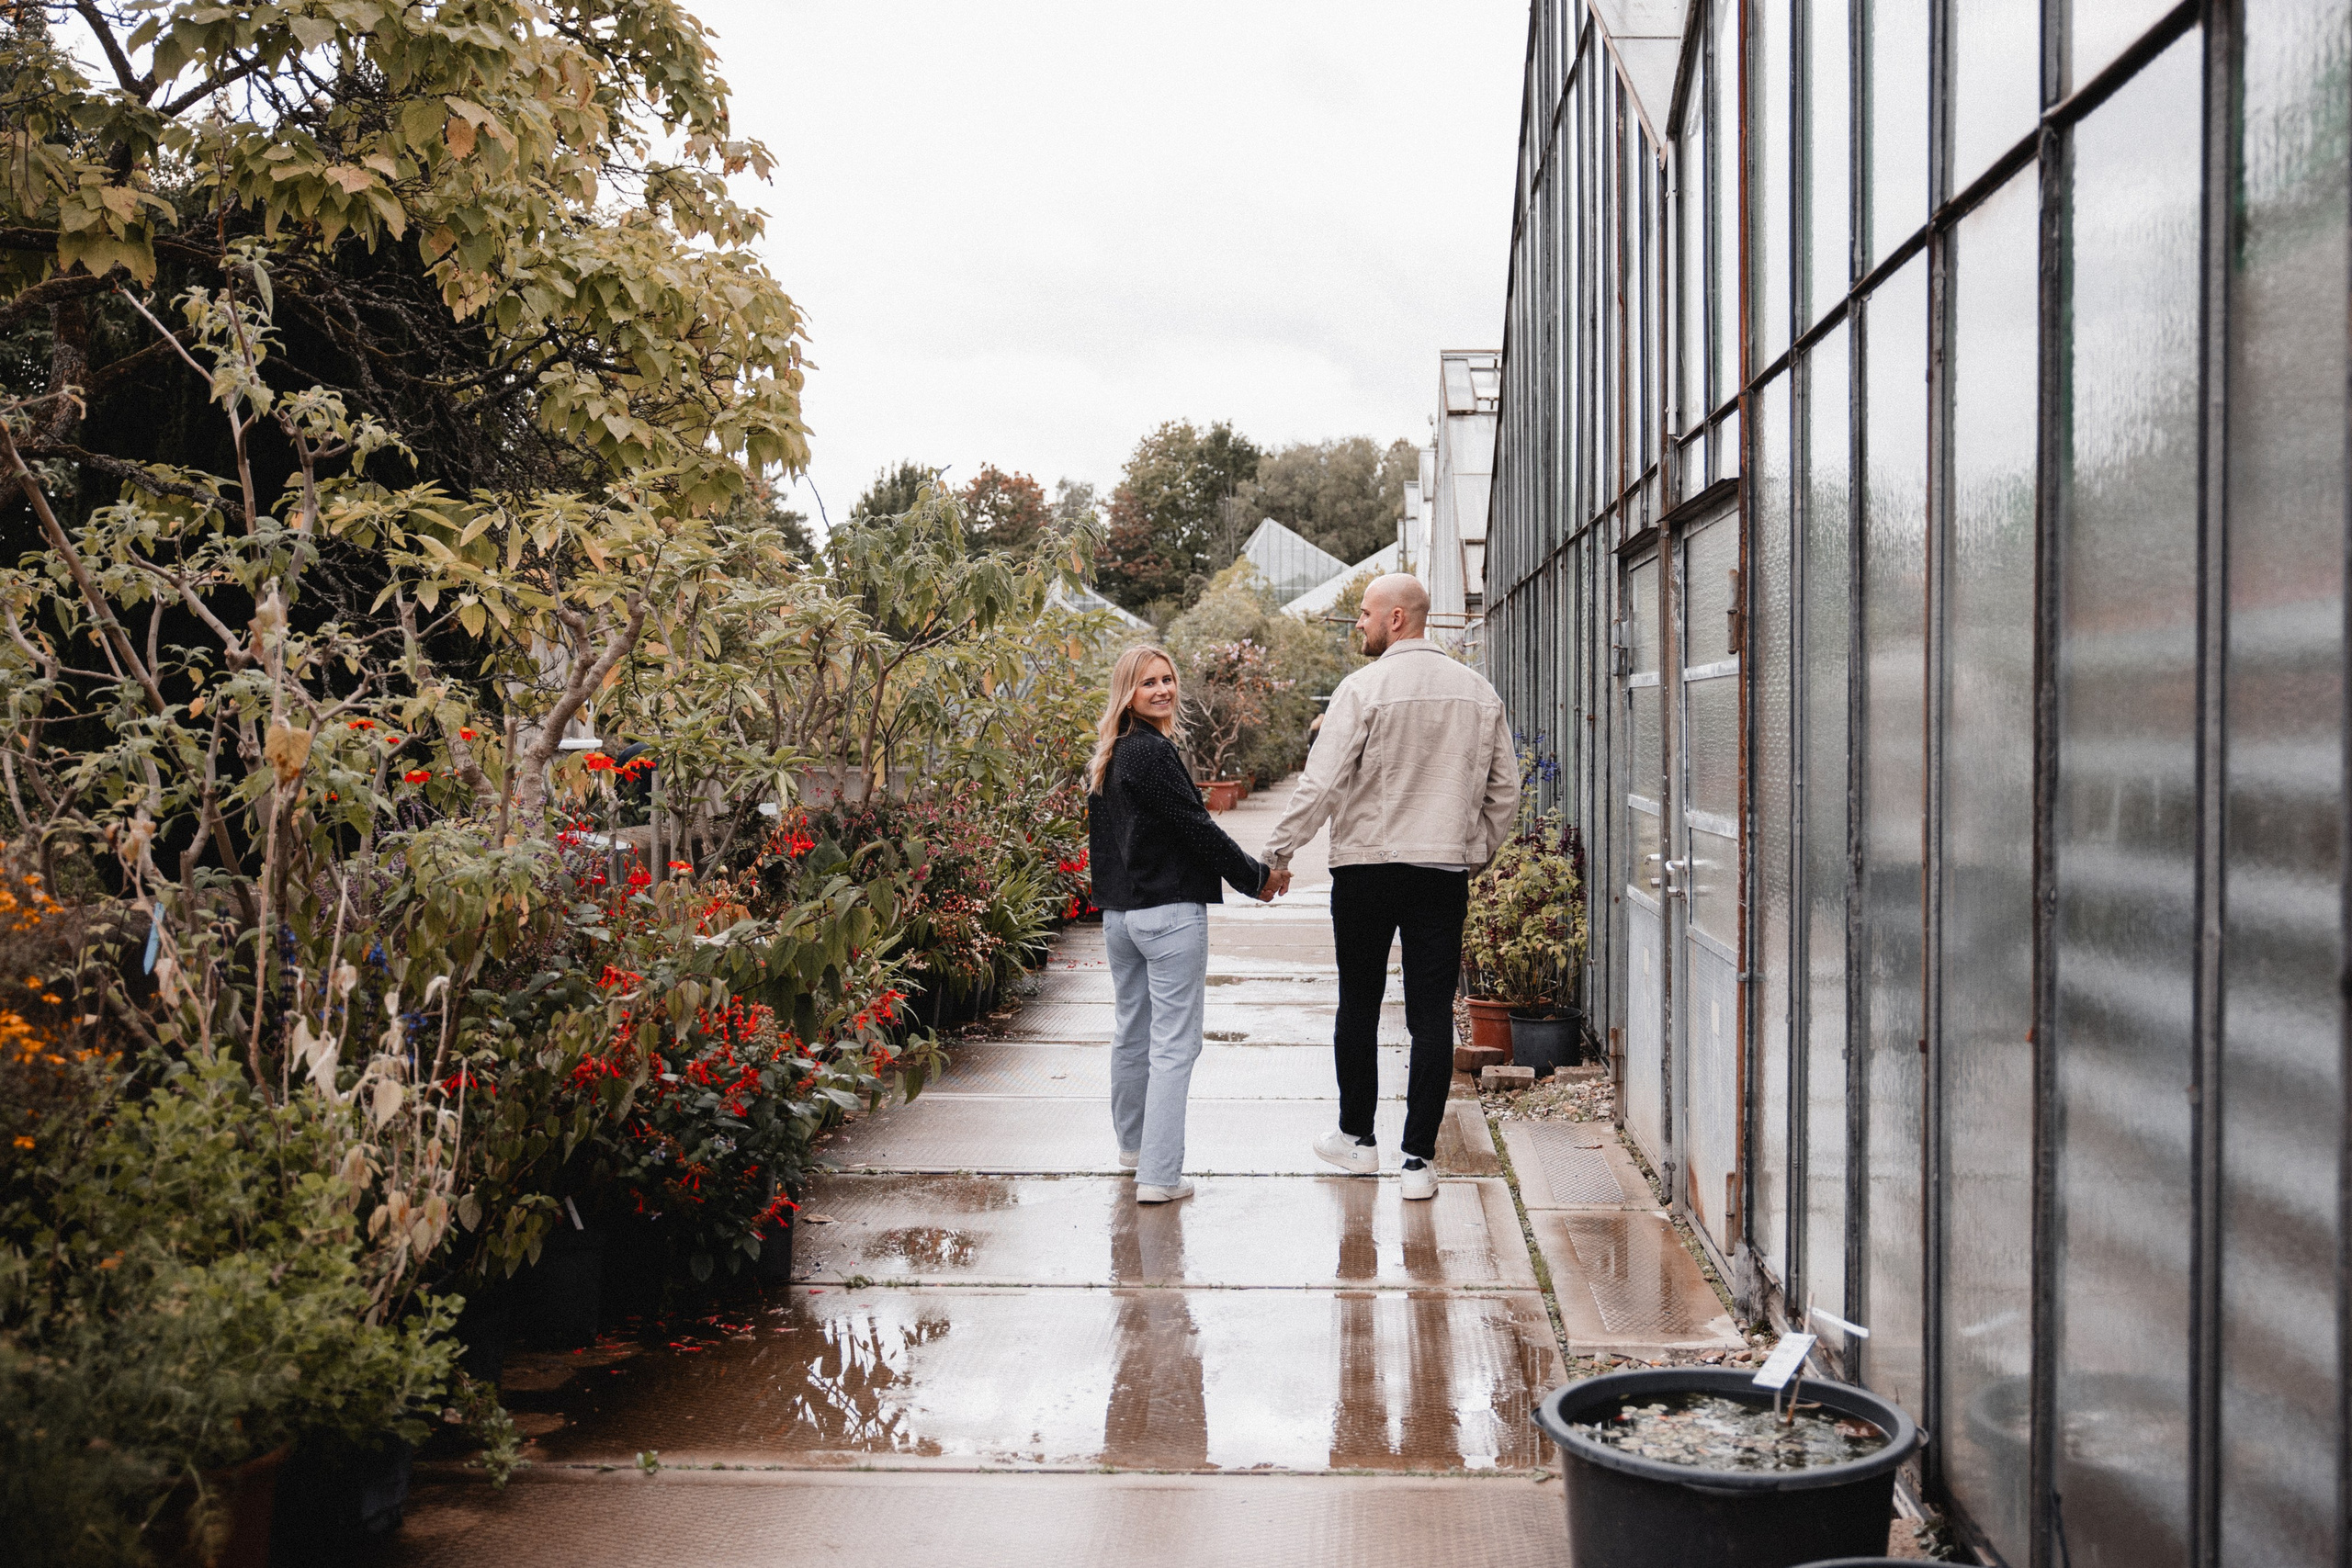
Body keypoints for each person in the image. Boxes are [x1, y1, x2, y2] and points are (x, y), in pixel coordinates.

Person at [1260, 575, 1518, 1201]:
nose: (1359, 622)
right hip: (1440, 874)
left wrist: (1276, 853)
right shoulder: (1478, 692)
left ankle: (1357, 1139)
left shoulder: (1361, 689)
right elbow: (1505, 792)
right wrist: (1472, 852)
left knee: (1360, 1001)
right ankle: (1417, 1163)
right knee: (1431, 1014)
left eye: (1365, 613)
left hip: (1366, 872)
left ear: (1396, 618)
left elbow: (1319, 785)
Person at [1087, 644, 1278, 1204]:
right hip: (1167, 916)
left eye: (1168, 679)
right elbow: (1198, 829)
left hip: (1123, 917)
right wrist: (1256, 878)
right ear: (1129, 692)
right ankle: (1159, 1176)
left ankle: (1135, 1148)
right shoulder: (1149, 752)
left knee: (1133, 1032)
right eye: (1149, 683)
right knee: (1174, 1045)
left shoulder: (1113, 754)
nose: (1163, 690)